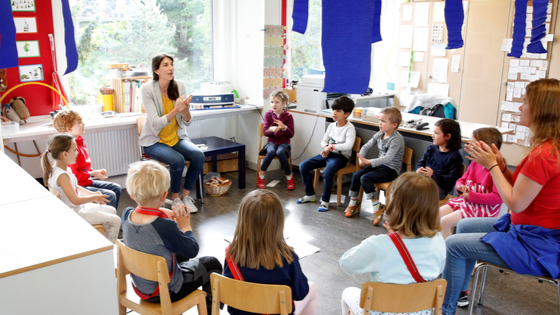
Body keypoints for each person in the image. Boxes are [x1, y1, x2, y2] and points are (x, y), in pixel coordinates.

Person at [442, 78, 560, 315]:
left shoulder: (543, 156)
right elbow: (524, 190)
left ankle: (444, 310)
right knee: (464, 225)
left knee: (453, 244)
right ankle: (460, 291)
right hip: (533, 229)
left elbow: (515, 202)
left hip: (535, 242)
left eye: (525, 102)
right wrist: (503, 166)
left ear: (540, 110)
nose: (520, 107)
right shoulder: (549, 148)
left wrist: (492, 167)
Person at [122, 160, 222, 314]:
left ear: (131, 193)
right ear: (164, 195)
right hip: (167, 291)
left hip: (141, 287)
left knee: (177, 250)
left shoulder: (126, 214)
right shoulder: (164, 227)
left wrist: (160, 212)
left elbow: (145, 213)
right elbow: (192, 250)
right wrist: (185, 227)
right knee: (212, 263)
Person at [340, 172, 446, 315]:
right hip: (421, 311)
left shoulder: (378, 245)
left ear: (394, 205)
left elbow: (346, 264)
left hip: (383, 311)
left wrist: (392, 236)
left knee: (348, 292)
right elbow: (438, 269)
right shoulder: (439, 240)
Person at [224, 190, 318, 315]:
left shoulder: (231, 253)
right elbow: (301, 293)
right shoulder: (287, 258)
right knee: (312, 289)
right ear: (278, 221)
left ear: (243, 220)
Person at [140, 53, 205, 213]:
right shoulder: (147, 89)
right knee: (178, 160)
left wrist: (186, 111)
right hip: (154, 142)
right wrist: (177, 109)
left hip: (176, 138)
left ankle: (186, 196)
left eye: (171, 64)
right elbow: (155, 123)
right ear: (156, 70)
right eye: (165, 65)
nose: (171, 68)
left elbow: (187, 121)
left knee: (198, 156)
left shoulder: (179, 85)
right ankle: (175, 198)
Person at [41, 133, 121, 243]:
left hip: (78, 208)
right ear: (64, 154)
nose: (77, 152)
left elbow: (75, 187)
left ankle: (104, 241)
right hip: (75, 213)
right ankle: (111, 249)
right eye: (74, 150)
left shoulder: (60, 169)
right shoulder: (62, 176)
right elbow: (75, 200)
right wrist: (93, 197)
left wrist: (90, 194)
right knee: (116, 220)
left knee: (111, 210)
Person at [439, 127, 503, 239]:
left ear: (485, 146)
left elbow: (497, 198)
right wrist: (461, 187)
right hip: (467, 202)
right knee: (437, 214)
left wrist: (471, 196)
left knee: (445, 222)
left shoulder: (497, 169)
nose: (469, 145)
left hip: (483, 209)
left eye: (472, 142)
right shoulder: (475, 162)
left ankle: (447, 254)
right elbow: (461, 180)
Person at [344, 106, 404, 223]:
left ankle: (377, 209)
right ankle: (353, 202)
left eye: (383, 121)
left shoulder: (396, 139)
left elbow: (388, 158)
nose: (380, 124)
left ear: (394, 125)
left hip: (391, 169)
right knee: (356, 175)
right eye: (379, 120)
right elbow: (366, 146)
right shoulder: (380, 134)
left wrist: (369, 161)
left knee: (365, 178)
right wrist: (361, 158)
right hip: (380, 165)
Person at [53, 110, 122, 209]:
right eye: (79, 122)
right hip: (79, 185)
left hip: (87, 181)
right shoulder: (69, 150)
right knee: (109, 195)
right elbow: (75, 177)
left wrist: (94, 172)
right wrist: (92, 174)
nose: (83, 124)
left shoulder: (80, 141)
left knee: (116, 188)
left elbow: (84, 167)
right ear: (69, 128)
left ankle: (109, 213)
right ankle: (105, 219)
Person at [298, 96, 356, 212]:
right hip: (328, 153)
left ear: (347, 114)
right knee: (303, 165)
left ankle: (325, 201)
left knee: (328, 171)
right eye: (333, 110)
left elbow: (348, 146)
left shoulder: (350, 128)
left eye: (338, 111)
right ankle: (310, 194)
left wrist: (331, 147)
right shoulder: (331, 125)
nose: (334, 113)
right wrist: (326, 148)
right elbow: (324, 141)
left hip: (340, 157)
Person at [416, 118, 463, 200]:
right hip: (424, 182)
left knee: (415, 192)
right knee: (406, 186)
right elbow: (421, 163)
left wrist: (433, 175)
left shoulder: (455, 157)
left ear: (448, 136)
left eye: (436, 133)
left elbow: (452, 180)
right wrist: (419, 169)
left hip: (440, 189)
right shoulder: (431, 148)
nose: (432, 135)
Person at [258, 90, 295, 190]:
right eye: (272, 102)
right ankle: (261, 175)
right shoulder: (268, 115)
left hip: (284, 143)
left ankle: (289, 177)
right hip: (271, 142)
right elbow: (265, 132)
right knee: (271, 152)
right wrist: (271, 129)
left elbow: (291, 134)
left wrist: (284, 127)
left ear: (284, 103)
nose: (274, 104)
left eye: (277, 102)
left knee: (280, 152)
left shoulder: (288, 116)